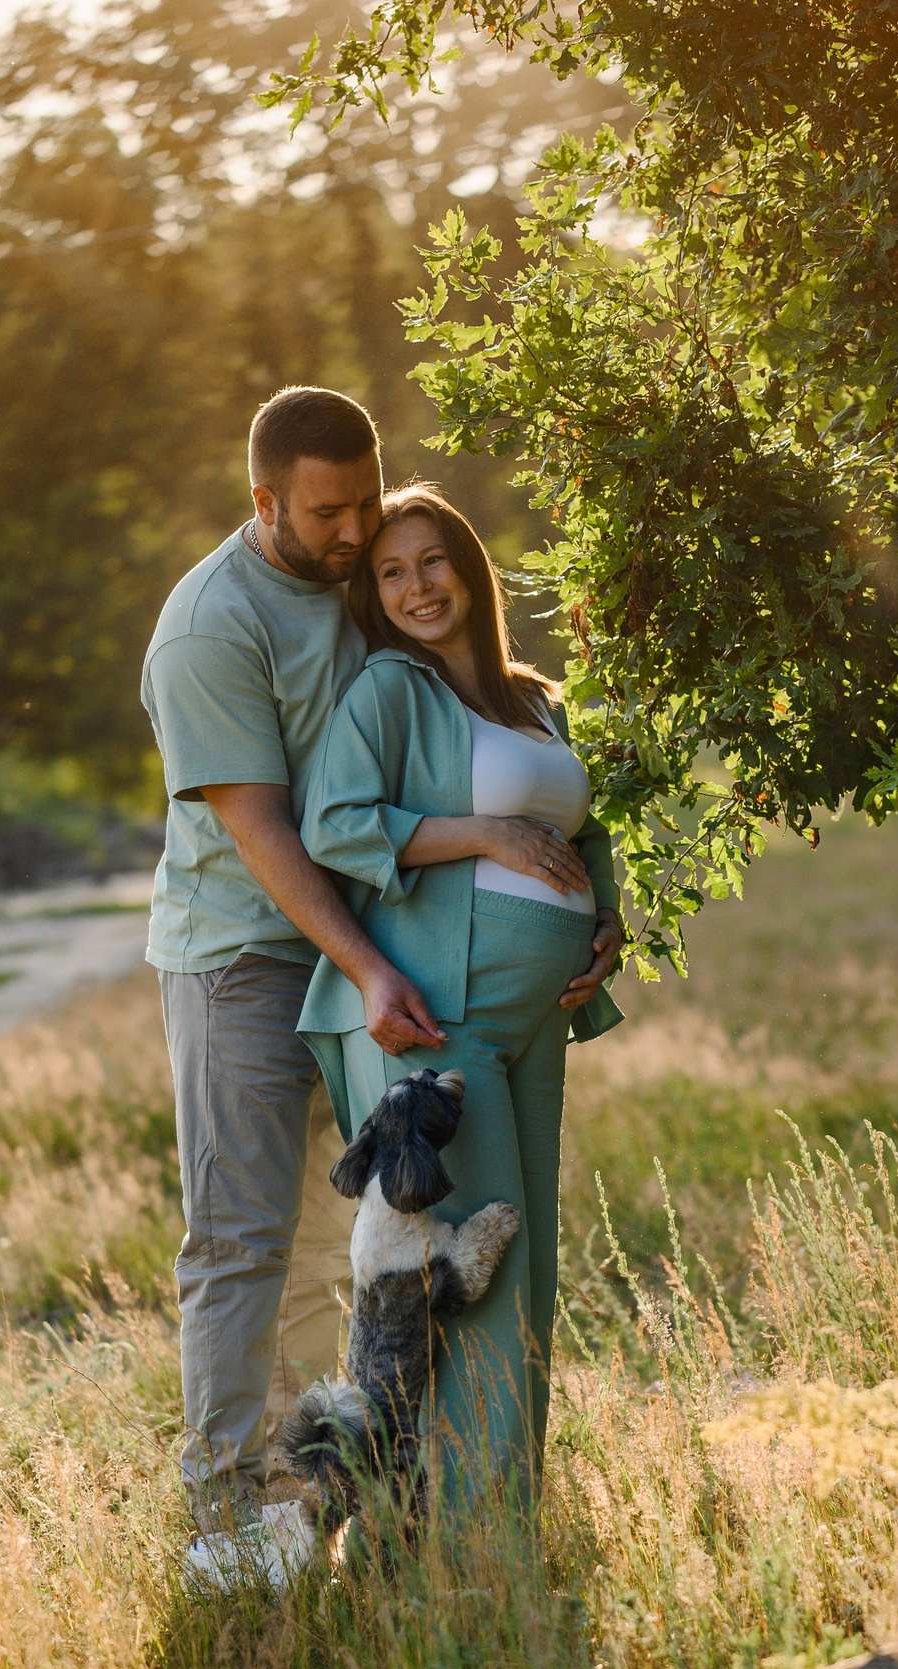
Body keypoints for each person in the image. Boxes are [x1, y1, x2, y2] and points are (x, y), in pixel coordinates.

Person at [140, 390, 610, 1590]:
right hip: (248, 952)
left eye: (366, 501)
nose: (355, 533)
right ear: (264, 503)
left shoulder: (362, 585)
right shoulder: (210, 625)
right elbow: (269, 830)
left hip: (377, 952)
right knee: (249, 1238)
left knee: (376, 1244)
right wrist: (366, 960)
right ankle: (229, 1518)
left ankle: (339, 1498)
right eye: (327, 513)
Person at [295, 482, 625, 1520]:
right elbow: (334, 821)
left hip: (535, 1018)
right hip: (441, 1016)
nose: (414, 585)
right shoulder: (390, 688)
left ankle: (496, 1516)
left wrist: (606, 924)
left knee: (525, 1264)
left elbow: (584, 833)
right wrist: (477, 834)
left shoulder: (535, 697)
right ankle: (471, 1551)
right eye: (390, 571)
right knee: (465, 1290)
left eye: (431, 559)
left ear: (468, 566)